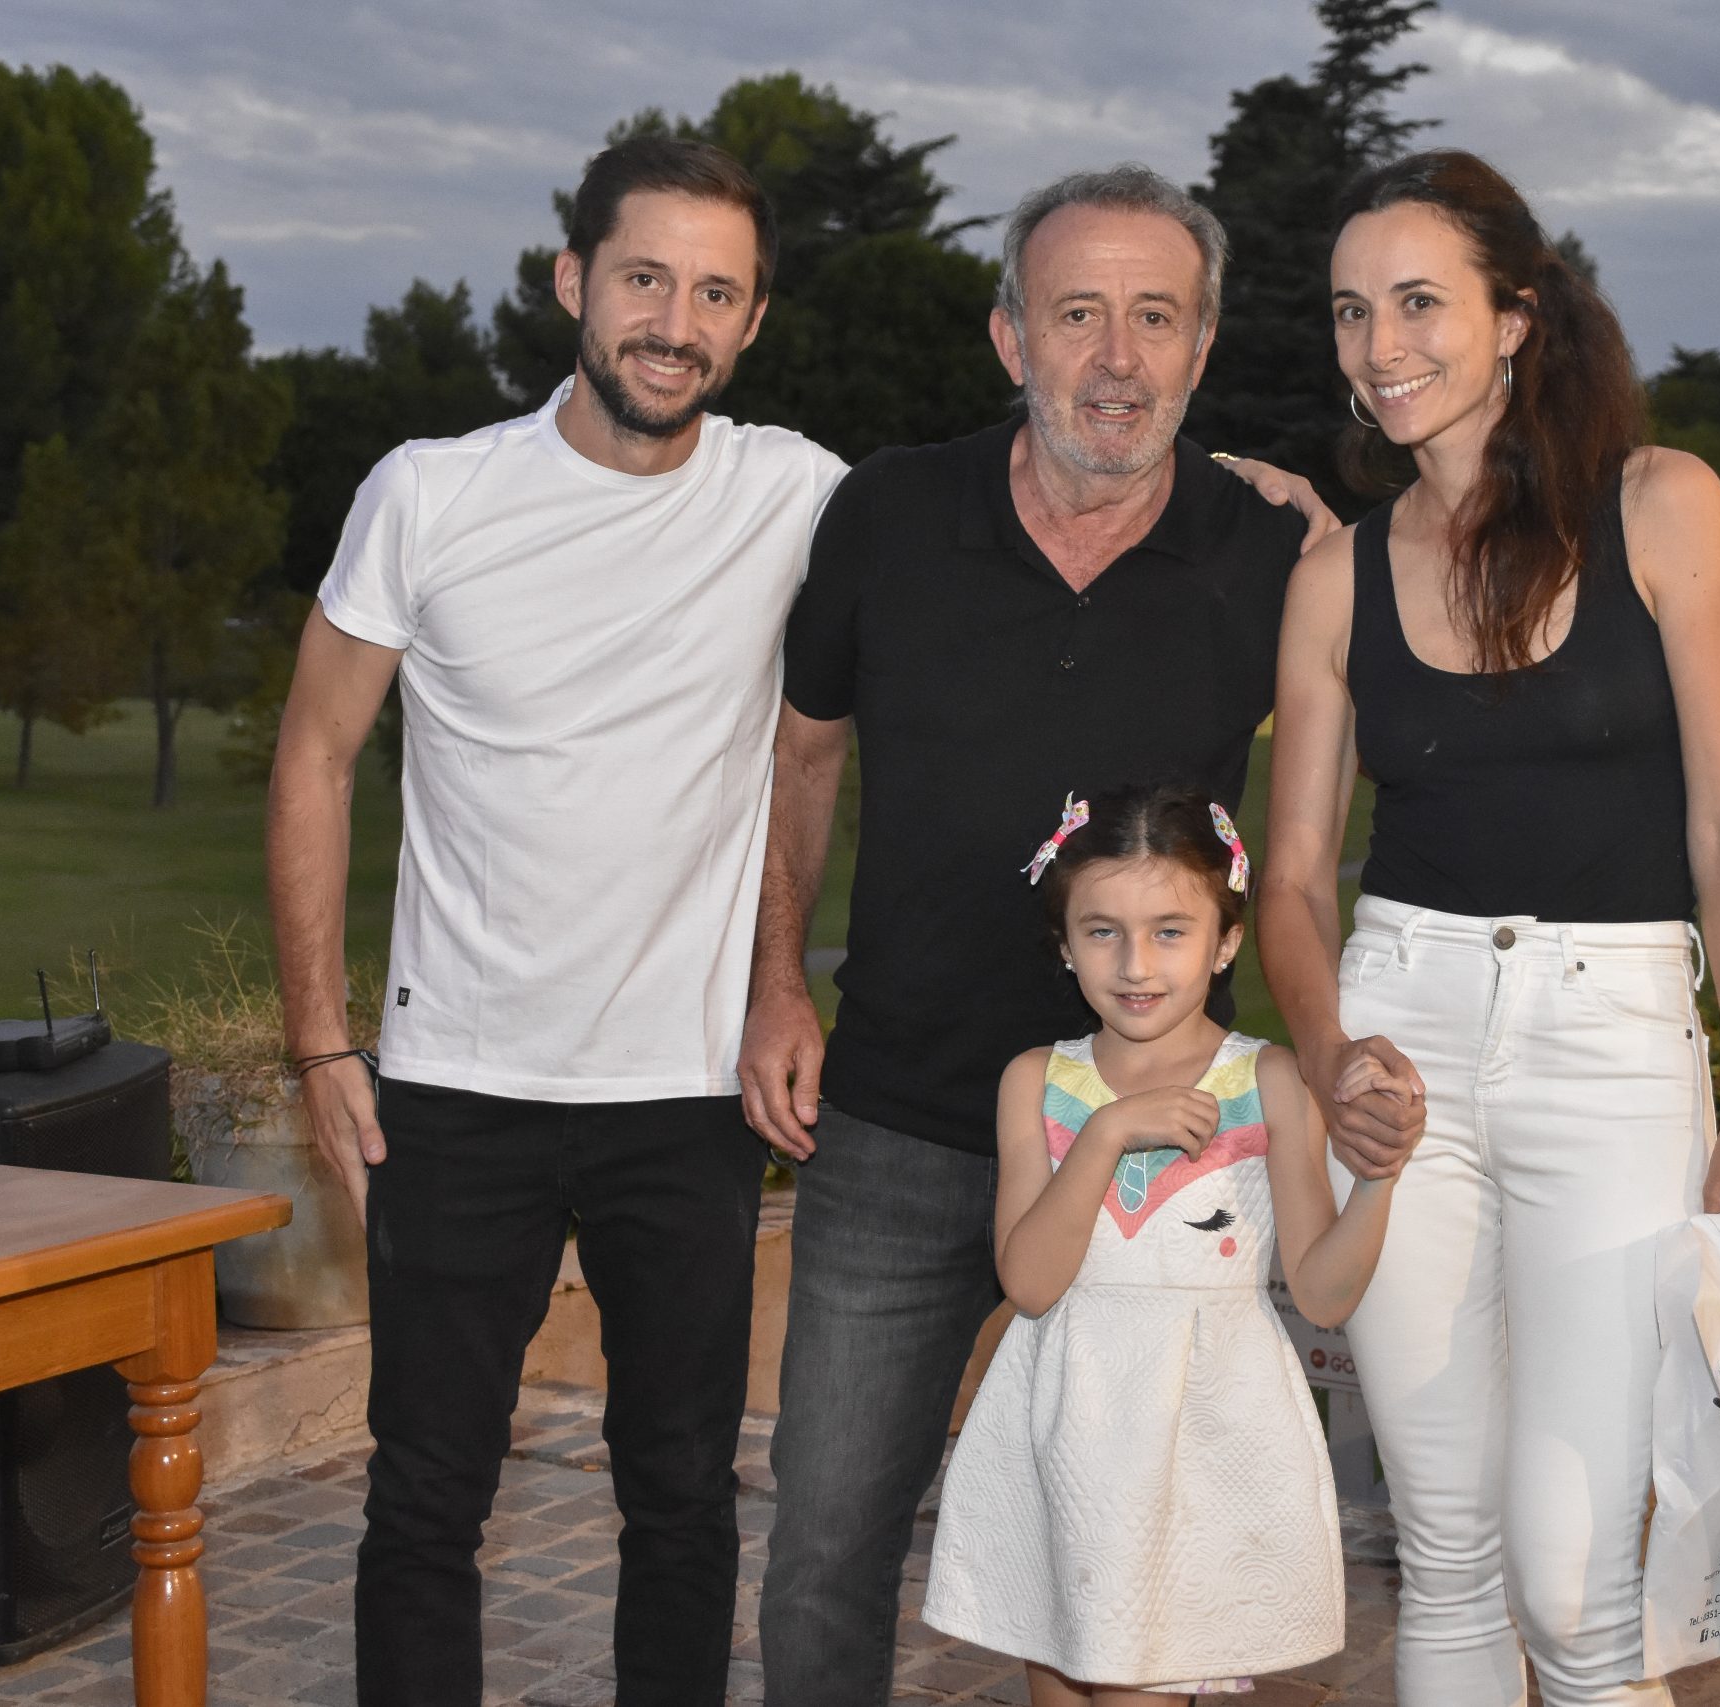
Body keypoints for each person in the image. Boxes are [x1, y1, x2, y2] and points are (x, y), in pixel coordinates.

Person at [739, 163, 1361, 1706]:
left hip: (1159, 1139)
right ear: (1011, 336)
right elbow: (802, 754)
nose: (1118, 357)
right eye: (1078, 313)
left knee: (1140, 1550)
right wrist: (774, 986)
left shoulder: (1270, 554)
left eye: (1157, 317)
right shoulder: (890, 512)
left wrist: (1329, 1062)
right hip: (903, 1112)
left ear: (1203, 345)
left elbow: (1319, 832)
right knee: (825, 1539)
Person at [266, 136, 845, 1706]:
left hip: (687, 1093)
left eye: (716, 293)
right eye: (646, 277)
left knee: (684, 1495)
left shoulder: (798, 496)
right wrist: (318, 1038)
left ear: (753, 321)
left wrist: (1254, 487)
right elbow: (314, 753)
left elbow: (1017, 511)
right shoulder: (430, 493)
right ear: (573, 279)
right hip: (459, 1089)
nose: (676, 322)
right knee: (424, 1499)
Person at [1258, 150, 1720, 1706]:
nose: (1380, 345)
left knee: (1572, 1575)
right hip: (1403, 1040)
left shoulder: (1663, 506)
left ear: (1515, 317)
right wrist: (1331, 1052)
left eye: (1418, 302)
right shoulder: (1336, 577)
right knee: (1444, 1546)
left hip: (1614, 1047)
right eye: (1351, 310)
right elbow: (1291, 879)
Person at [922, 783, 1409, 1704]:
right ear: (1064, 943)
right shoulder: (1035, 1081)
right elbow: (1030, 1282)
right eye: (1102, 930)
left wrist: (1380, 1176)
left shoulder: (1269, 1081)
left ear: (1226, 941)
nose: (1136, 963)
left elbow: (1323, 1293)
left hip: (1198, 1446)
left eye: (1171, 931)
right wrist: (1107, 1132)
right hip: (1064, 1436)